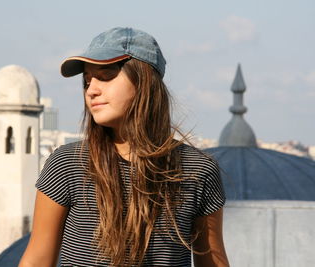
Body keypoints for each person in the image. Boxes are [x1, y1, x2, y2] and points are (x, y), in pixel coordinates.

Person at [19, 27, 229, 267]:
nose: (92, 90)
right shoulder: (68, 164)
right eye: (87, 81)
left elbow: (212, 261)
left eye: (105, 76)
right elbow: (37, 259)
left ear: (144, 82)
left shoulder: (197, 171)